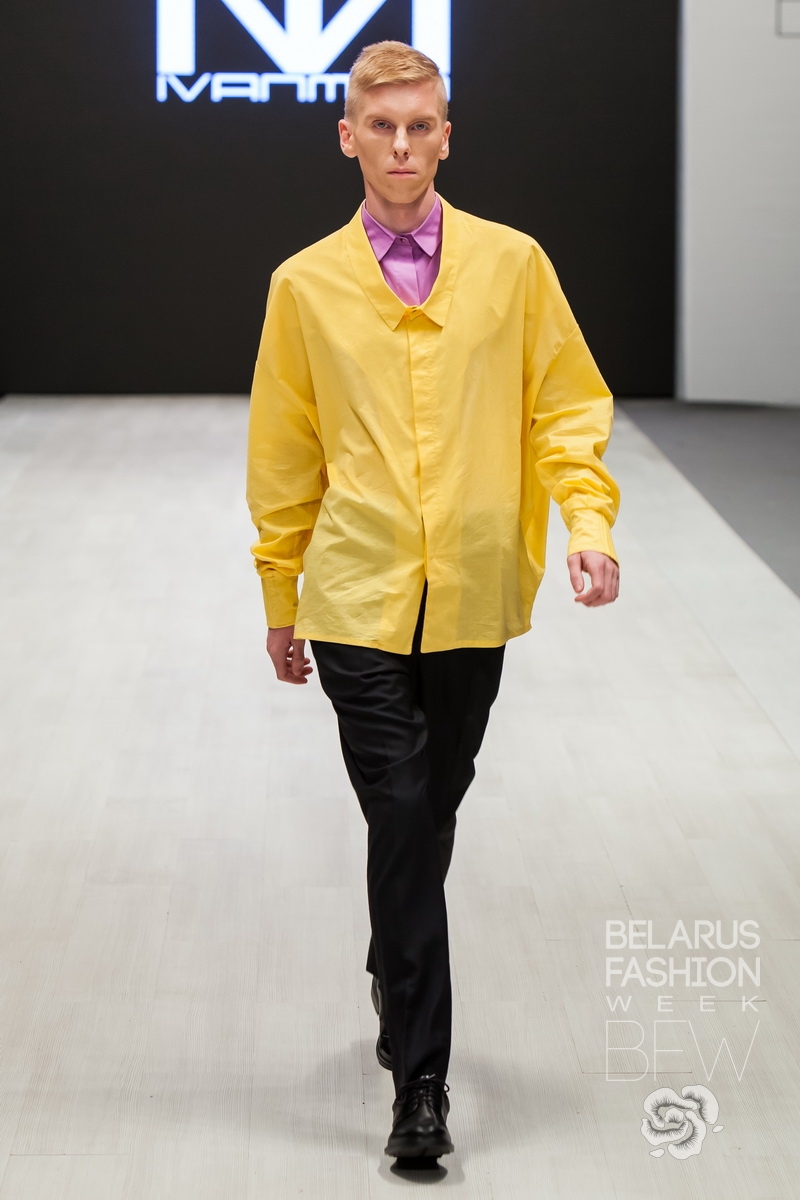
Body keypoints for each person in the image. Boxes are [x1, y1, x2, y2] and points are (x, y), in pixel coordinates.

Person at [246, 40, 620, 1162]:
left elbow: (566, 405)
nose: (401, 146)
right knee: (404, 814)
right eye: (382, 127)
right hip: (354, 594)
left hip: (471, 589)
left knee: (431, 809)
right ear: (347, 137)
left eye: (421, 126)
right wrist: (279, 594)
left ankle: (390, 958)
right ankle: (421, 1086)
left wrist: (588, 525)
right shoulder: (304, 285)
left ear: (446, 136)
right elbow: (284, 452)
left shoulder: (512, 265)